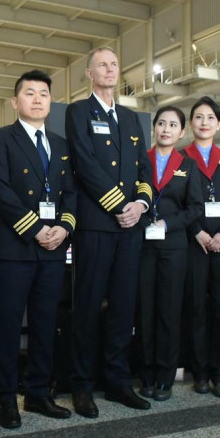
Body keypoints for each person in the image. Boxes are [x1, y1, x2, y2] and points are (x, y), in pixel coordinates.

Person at [0, 70, 76, 428]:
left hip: (53, 248)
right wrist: (36, 228)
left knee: (44, 321)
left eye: (43, 94)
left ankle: (39, 392)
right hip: (15, 246)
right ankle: (6, 398)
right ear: (15, 102)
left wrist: (64, 227)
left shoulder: (62, 145)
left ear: (50, 102)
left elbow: (72, 193)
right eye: (29, 93)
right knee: (7, 323)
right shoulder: (0, 138)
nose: (37, 99)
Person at [65, 46, 153, 417]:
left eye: (115, 64)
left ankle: (117, 381)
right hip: (97, 226)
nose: (110, 69)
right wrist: (120, 205)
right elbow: (86, 165)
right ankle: (82, 385)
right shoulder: (78, 112)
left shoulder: (132, 120)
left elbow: (143, 170)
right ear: (89, 73)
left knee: (122, 306)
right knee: (86, 306)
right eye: (102, 64)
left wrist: (141, 205)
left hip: (130, 228)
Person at [137, 106, 202, 401]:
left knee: (168, 312)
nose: (166, 129)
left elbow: (195, 208)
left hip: (174, 247)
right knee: (145, 311)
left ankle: (165, 376)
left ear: (181, 131)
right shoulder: (141, 160)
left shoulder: (187, 166)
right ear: (154, 128)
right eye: (161, 123)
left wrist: (168, 222)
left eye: (172, 125)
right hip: (142, 245)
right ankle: (146, 374)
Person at [182, 96, 220, 398]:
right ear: (190, 123)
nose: (204, 123)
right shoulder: (182, 158)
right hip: (193, 243)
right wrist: (197, 231)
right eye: (198, 117)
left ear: (219, 124)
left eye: (210, 118)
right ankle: (200, 372)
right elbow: (177, 200)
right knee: (196, 307)